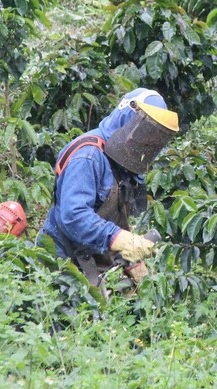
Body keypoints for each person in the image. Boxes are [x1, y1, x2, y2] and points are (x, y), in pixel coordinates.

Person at [38, 88, 179, 287]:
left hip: (95, 258)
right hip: (60, 261)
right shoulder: (87, 156)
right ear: (129, 118)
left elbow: (119, 219)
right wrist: (119, 239)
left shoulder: (125, 160)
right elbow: (73, 215)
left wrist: (133, 261)